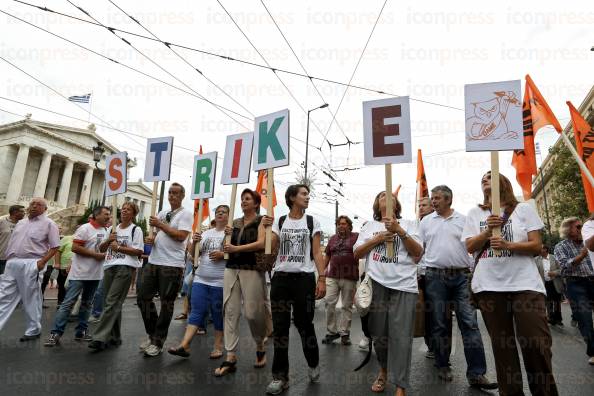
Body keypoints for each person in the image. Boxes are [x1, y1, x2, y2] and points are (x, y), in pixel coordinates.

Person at [463, 172, 558, 395]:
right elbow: (469, 247)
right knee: (502, 348)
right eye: (482, 178)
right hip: (488, 287)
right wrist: (487, 230)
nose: (484, 179)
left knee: (536, 344)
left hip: (525, 286)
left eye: (490, 176)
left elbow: (536, 246)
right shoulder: (474, 213)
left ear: (503, 182)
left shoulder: (524, 209)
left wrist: (509, 245)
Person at [419, 185, 496, 389]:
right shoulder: (425, 222)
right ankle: (443, 364)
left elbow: (474, 244)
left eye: (437, 198)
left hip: (462, 276)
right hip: (434, 277)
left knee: (470, 323)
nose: (433, 202)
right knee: (439, 323)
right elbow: (420, 250)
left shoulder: (464, 220)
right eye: (432, 199)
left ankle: (477, 374)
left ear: (448, 200)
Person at [353, 191, 423, 396]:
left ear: (397, 202)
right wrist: (380, 238)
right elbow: (357, 253)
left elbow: (417, 252)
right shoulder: (369, 226)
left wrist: (399, 230)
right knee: (380, 335)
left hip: (404, 287)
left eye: (389, 193)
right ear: (376, 203)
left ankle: (401, 384)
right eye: (381, 194)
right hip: (378, 286)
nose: (386, 195)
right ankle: (383, 371)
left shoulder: (411, 224)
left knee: (401, 337)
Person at [265, 184, 326, 395]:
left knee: (304, 325)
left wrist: (322, 279)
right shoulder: (280, 221)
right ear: (292, 197)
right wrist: (266, 229)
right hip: (280, 279)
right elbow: (271, 246)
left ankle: (313, 362)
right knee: (280, 329)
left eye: (308, 194)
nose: (307, 197)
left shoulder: (312, 222)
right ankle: (280, 377)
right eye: (303, 194)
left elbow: (317, 253)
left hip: (304, 280)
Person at [216, 189, 273, 376]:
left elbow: (261, 244)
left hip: (252, 270)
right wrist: (226, 238)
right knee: (230, 311)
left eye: (247, 199)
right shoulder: (234, 223)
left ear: (256, 203)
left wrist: (235, 247)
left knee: (252, 313)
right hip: (231, 268)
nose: (243, 201)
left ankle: (259, 345)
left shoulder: (261, 220)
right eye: (242, 199)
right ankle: (230, 356)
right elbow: (225, 248)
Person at [138, 182, 193, 357]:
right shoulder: (162, 213)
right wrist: (151, 239)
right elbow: (155, 234)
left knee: (166, 304)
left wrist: (161, 226)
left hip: (172, 265)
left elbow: (181, 237)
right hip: (154, 261)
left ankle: (158, 341)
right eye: (169, 192)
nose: (171, 195)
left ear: (182, 195)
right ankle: (152, 334)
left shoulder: (186, 214)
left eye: (175, 193)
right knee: (142, 297)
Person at [44, 206, 110, 346]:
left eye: (109, 215)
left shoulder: (104, 230)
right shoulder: (84, 229)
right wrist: (96, 255)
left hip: (95, 274)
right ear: (96, 215)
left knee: (86, 304)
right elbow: (75, 248)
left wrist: (109, 242)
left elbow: (100, 249)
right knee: (68, 303)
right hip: (80, 273)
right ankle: (55, 333)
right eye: (106, 214)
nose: (108, 217)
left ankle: (81, 331)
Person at [168, 205, 228, 359]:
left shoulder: (231, 234)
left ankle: (218, 346)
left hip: (220, 281)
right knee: (196, 311)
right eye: (217, 212)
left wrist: (223, 254)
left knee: (217, 314)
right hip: (201, 278)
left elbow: (236, 255)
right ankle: (185, 345)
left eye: (224, 212)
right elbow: (195, 254)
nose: (220, 214)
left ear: (229, 216)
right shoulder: (206, 233)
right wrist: (194, 243)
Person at [0, 198, 59, 341]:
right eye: (32, 204)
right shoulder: (21, 223)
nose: (33, 206)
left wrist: (42, 262)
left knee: (30, 297)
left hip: (32, 262)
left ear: (45, 209)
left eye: (38, 204)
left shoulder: (49, 224)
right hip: (12, 262)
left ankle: (33, 329)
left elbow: (55, 246)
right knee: (3, 296)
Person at [88, 201, 144, 350]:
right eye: (123, 209)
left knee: (111, 301)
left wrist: (119, 247)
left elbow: (139, 251)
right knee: (111, 302)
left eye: (128, 210)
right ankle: (115, 336)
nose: (124, 211)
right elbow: (101, 248)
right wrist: (109, 239)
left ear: (133, 214)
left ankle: (99, 337)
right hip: (109, 266)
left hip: (125, 267)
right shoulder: (113, 228)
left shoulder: (136, 230)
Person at [415, 196, 452, 360]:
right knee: (423, 311)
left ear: (433, 207)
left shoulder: (441, 224)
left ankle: (440, 350)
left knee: (439, 313)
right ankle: (430, 343)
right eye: (419, 205)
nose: (421, 208)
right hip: (419, 275)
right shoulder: (415, 225)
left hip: (436, 274)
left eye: (424, 205)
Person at [555, 217, 594, 365]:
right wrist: (582, 255)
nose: (581, 229)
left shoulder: (589, 241)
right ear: (568, 230)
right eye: (578, 227)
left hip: (593, 280)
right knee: (585, 319)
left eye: (582, 226)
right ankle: (593, 351)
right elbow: (564, 267)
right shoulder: (560, 246)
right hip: (576, 284)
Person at [322, 215, 359, 346]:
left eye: (343, 224)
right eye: (339, 224)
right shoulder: (332, 239)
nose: (341, 226)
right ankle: (332, 332)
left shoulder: (356, 237)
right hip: (332, 276)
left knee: (346, 305)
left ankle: (344, 333)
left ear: (349, 225)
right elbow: (327, 255)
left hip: (350, 277)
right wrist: (322, 272)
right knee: (328, 302)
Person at [536, 246, 563, 326]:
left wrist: (555, 273)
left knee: (557, 301)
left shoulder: (554, 258)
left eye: (541, 248)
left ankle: (558, 318)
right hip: (544, 283)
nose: (539, 250)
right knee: (548, 301)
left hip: (555, 282)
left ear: (545, 249)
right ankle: (551, 318)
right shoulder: (536, 259)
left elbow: (562, 269)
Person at [0, 204, 25, 275]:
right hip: (1, 257)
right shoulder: (2, 222)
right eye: (22, 212)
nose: (24, 214)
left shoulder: (23, 225)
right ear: (15, 212)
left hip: (14, 259)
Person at [53, 231, 74, 308]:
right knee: (62, 285)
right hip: (63, 267)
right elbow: (58, 251)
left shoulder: (86, 240)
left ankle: (70, 304)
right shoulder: (67, 238)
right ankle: (60, 302)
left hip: (77, 268)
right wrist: (57, 263)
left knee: (72, 287)